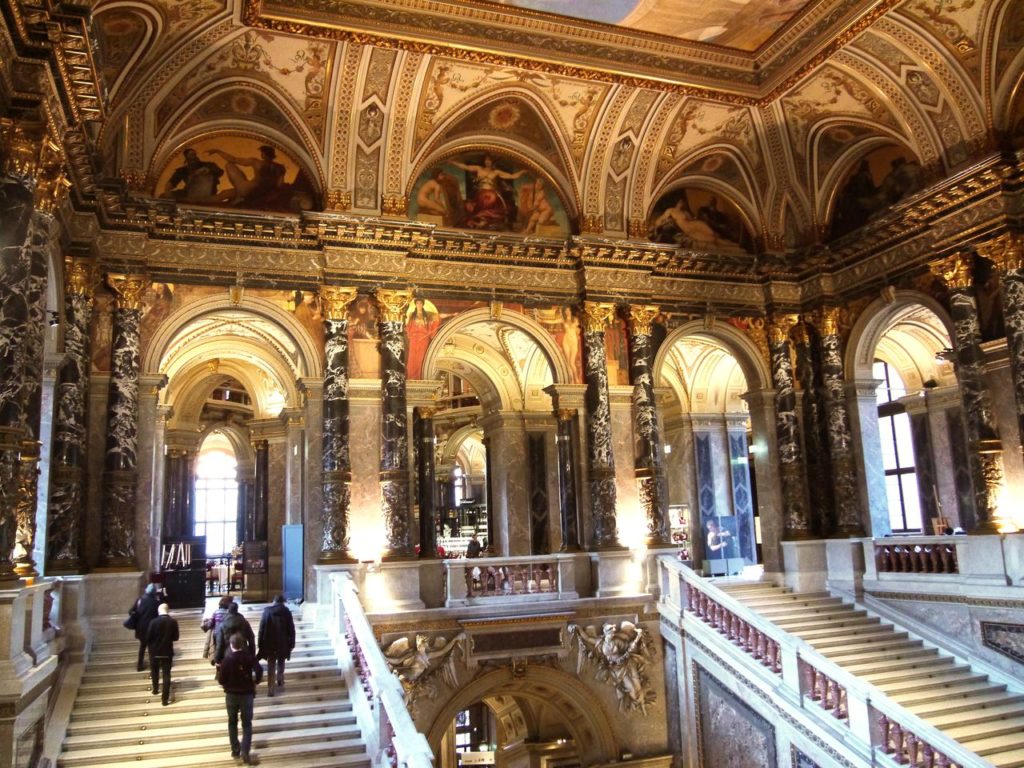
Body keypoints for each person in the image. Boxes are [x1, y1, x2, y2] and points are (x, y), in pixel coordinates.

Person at [217, 632, 263, 765]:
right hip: (246, 694)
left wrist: (226, 683)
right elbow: (259, 670)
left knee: (232, 722)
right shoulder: (249, 657)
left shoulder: (227, 660)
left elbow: (221, 680)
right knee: (247, 723)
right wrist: (256, 681)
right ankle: (245, 750)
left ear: (231, 645)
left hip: (231, 695)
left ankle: (235, 749)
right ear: (242, 644)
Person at [452, 154, 526, 230]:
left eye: (490, 160)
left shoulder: (496, 172)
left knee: (491, 203)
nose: (488, 162)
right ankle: (480, 222)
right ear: (484, 161)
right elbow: (465, 167)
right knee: (478, 207)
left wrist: (523, 171)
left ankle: (488, 222)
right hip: (481, 194)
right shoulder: (479, 169)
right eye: (486, 160)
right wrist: (453, 162)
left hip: (492, 194)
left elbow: (512, 176)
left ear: (493, 162)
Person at [209, 145, 287, 208]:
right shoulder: (279, 167)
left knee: (229, 165)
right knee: (225, 194)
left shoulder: (257, 162)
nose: (262, 155)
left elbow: (233, 159)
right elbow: (279, 185)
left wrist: (218, 151)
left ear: (264, 154)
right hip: (260, 193)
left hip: (248, 191)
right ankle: (238, 196)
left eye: (262, 153)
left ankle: (239, 197)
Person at [257, 595, 295, 697]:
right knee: (281, 662)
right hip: (283, 642)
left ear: (274, 601)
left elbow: (261, 629)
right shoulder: (286, 612)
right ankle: (280, 680)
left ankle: (271, 689)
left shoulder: (267, 612)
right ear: (282, 602)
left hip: (269, 643)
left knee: (271, 665)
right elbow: (291, 629)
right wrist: (292, 644)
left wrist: (260, 643)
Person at [146, 603, 179, 706]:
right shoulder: (173, 622)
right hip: (167, 651)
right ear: (167, 610)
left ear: (159, 611)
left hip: (154, 652)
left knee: (154, 671)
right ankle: (164, 699)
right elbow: (176, 638)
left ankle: (155, 689)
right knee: (166, 674)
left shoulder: (153, 622)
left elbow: (148, 637)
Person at [132, 583, 160, 672]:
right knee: (152, 648)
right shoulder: (156, 602)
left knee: (142, 647)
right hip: (152, 628)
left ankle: (139, 666)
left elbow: (131, 612)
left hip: (141, 628)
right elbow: (158, 616)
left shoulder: (140, 600)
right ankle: (153, 667)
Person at [204, 595, 235, 659]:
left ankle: (217, 660)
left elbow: (210, 625)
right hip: (229, 635)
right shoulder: (231, 613)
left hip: (217, 635)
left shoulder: (216, 612)